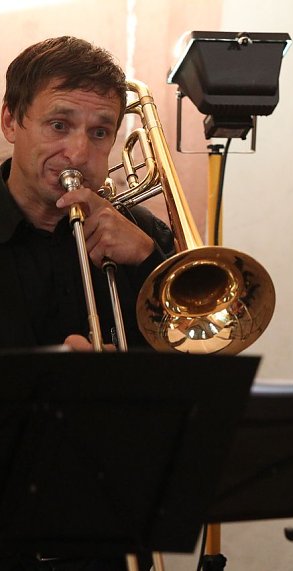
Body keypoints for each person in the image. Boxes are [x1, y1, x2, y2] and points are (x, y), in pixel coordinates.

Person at [0, 36, 173, 569]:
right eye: (59, 125)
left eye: (100, 133)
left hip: (103, 532)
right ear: (10, 122)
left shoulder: (146, 240)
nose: (79, 153)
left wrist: (148, 265)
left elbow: (197, 385)